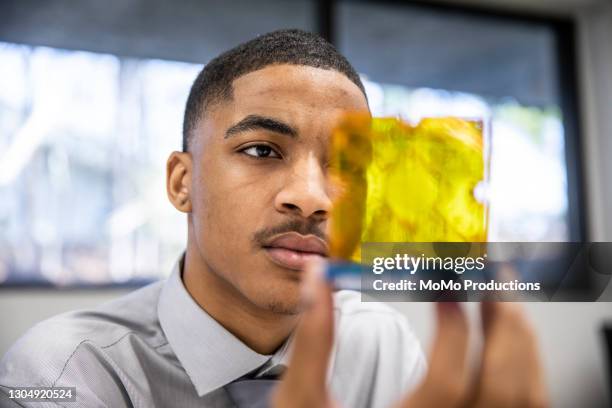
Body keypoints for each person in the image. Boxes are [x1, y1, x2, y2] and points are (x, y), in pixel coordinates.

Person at [0, 29, 547, 408]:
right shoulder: (63, 371)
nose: (312, 200)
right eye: (262, 150)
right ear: (181, 183)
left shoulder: (381, 342)